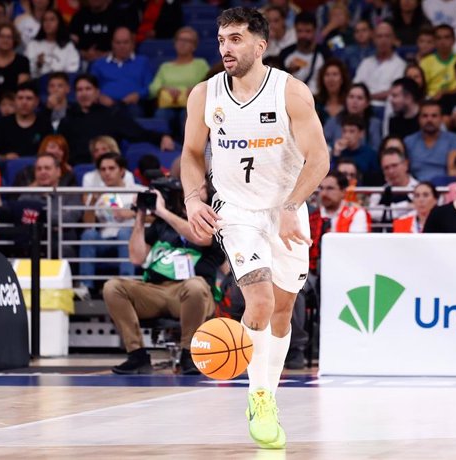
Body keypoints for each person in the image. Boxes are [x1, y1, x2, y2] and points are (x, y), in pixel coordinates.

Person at [180, 7, 329, 449]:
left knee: (283, 310)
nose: (226, 47)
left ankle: (269, 388)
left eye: (236, 39)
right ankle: (259, 396)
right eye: (222, 39)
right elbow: (191, 153)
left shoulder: (291, 93)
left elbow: (319, 160)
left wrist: (292, 203)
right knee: (260, 300)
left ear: (260, 45)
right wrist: (192, 198)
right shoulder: (204, 95)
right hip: (237, 211)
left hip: (285, 208)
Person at [103, 180, 225, 375]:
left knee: (195, 285)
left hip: (194, 292)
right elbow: (136, 257)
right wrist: (141, 216)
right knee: (113, 287)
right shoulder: (161, 226)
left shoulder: (213, 218)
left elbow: (202, 238)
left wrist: (162, 213)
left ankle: (189, 354)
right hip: (156, 291)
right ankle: (137, 355)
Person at [58, 74, 174, 165]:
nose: (84, 93)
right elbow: (60, 146)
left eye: (88, 89)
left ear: (97, 92)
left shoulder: (111, 115)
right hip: (77, 168)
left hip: (108, 167)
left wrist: (161, 137)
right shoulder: (68, 119)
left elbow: (138, 133)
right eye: (80, 90)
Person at [79, 153, 139, 291]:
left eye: (111, 168)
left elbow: (154, 217)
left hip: (129, 239)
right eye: (103, 169)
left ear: (122, 171)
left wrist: (133, 213)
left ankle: (127, 284)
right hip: (105, 239)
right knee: (88, 235)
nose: (107, 173)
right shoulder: (99, 194)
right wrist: (93, 202)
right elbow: (88, 225)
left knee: (125, 233)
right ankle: (85, 287)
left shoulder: (136, 191)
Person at [149, 27, 210, 142]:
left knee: (188, 114)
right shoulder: (165, 67)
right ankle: (164, 143)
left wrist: (195, 89)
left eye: (187, 41)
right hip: (167, 105)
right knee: (161, 114)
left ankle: (188, 148)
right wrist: (164, 88)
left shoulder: (200, 64)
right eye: (180, 40)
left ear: (194, 46)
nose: (182, 44)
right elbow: (152, 89)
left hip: (190, 105)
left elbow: (209, 83)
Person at [309, 170, 370, 276]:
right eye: (321, 188)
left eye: (330, 188)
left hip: (347, 269)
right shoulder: (311, 216)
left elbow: (357, 248)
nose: (324, 193)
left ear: (343, 192)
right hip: (312, 272)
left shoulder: (356, 214)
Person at [89, 27, 152, 119]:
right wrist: (100, 97)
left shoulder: (143, 62)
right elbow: (91, 86)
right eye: (118, 43)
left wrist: (138, 95)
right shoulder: (99, 64)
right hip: (105, 105)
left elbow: (149, 87)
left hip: (132, 106)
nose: (122, 46)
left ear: (132, 43)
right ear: (112, 44)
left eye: (125, 42)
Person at [0, 81, 53, 159]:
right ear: (15, 101)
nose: (24, 102)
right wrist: (3, 157)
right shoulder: (2, 123)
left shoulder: (45, 124)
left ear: (36, 101)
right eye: (20, 98)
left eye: (29, 98)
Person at [353, 22, 406, 115]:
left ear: (393, 39)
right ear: (374, 39)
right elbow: (356, 86)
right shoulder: (366, 63)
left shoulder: (400, 65)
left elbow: (394, 92)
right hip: (363, 108)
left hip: (386, 108)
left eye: (387, 36)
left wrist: (369, 96)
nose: (383, 40)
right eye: (379, 36)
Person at [404, 100, 456, 181]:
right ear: (418, 119)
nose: (429, 120)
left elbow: (453, 173)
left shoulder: (454, 140)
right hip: (415, 188)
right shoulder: (409, 142)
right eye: (425, 116)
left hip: (444, 187)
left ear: (441, 119)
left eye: (434, 116)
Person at [69, 0, 138, 63]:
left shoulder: (119, 16)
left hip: (112, 60)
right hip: (82, 60)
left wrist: (103, 55)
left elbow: (129, 44)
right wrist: (84, 54)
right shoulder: (79, 16)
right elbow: (70, 44)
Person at [279, 12, 330, 94]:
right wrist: (288, 71)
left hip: (318, 99)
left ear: (315, 31)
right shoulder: (285, 53)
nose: (303, 35)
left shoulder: (324, 53)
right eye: (300, 31)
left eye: (308, 31)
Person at [368, 147, 419, 224]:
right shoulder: (378, 192)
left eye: (394, 165)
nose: (391, 171)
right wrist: (406, 206)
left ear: (405, 164)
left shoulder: (419, 188)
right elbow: (372, 213)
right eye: (386, 168)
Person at [25, 8, 80, 78]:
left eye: (52, 20)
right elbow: (27, 70)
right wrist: (38, 64)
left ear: (59, 23)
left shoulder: (68, 46)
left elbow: (72, 71)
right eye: (45, 20)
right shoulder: (33, 45)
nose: (48, 23)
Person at [419, 24, 456, 98]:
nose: (442, 42)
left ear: (454, 40)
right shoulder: (425, 63)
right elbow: (422, 89)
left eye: (447, 37)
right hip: (432, 102)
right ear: (434, 41)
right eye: (439, 38)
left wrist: (445, 93)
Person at [331, 115, 379, 182]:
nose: (347, 135)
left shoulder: (371, 154)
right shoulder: (338, 152)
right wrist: (336, 154)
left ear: (361, 134)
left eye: (352, 131)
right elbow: (331, 177)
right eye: (344, 131)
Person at [314, 58, 351, 127]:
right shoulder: (315, 103)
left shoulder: (350, 102)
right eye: (327, 75)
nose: (331, 79)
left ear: (342, 79)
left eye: (335, 74)